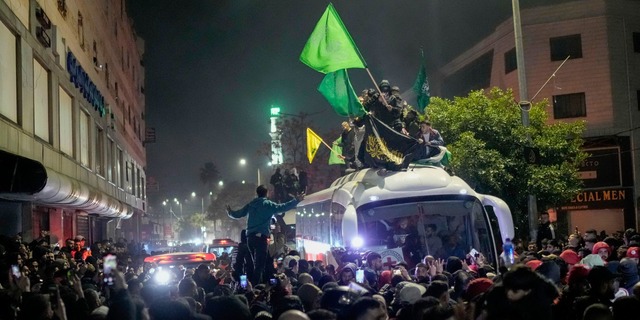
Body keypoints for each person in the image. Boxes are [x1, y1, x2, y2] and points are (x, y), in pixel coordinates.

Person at [227, 185, 303, 284]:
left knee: (256, 262)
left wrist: (230, 212)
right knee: (259, 265)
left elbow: (238, 214)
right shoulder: (268, 204)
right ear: (266, 193)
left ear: (257, 193)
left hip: (250, 238)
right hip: (261, 238)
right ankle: (256, 287)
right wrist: (296, 200)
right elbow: (283, 207)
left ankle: (255, 282)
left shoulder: (251, 204)